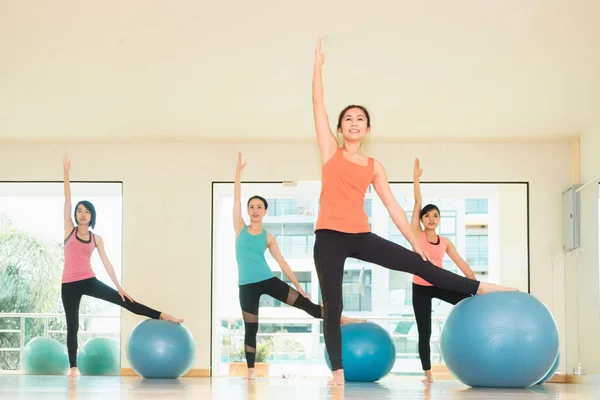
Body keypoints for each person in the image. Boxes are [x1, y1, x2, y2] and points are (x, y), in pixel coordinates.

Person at [311, 38, 517, 386]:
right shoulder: (330, 151)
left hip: (360, 236)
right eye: (348, 119)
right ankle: (338, 371)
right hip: (329, 237)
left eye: (360, 118)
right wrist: (317, 66)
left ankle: (479, 287)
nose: (354, 122)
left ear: (368, 129)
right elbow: (317, 104)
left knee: (421, 265)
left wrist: (414, 241)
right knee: (333, 302)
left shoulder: (374, 165)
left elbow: (391, 204)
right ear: (339, 128)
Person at [233, 153, 361, 380]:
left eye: (259, 207)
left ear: (265, 211)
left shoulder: (268, 236)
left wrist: (297, 285)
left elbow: (281, 262)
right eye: (251, 206)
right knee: (251, 328)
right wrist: (238, 174)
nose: (255, 210)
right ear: (248, 210)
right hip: (246, 286)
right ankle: (251, 371)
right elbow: (235, 201)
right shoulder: (240, 228)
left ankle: (340, 318)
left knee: (306, 305)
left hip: (267, 280)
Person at [61, 157, 182, 377]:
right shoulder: (69, 230)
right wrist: (66, 172)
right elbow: (67, 200)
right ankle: (73, 367)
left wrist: (119, 287)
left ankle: (162, 315)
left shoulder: (96, 238)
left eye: (86, 211)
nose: (82, 213)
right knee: (73, 325)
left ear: (91, 216)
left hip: (88, 279)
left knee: (126, 301)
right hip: (68, 284)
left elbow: (107, 263)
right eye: (80, 210)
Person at [410, 158, 476, 383]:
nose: (431, 218)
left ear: (439, 219)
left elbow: (461, 263)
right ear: (422, 220)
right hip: (420, 287)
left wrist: (475, 285)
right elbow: (418, 202)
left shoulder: (445, 241)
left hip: (438, 284)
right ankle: (427, 373)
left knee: (467, 299)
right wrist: (416, 180)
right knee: (424, 331)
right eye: (427, 216)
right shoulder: (416, 234)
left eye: (435, 215)